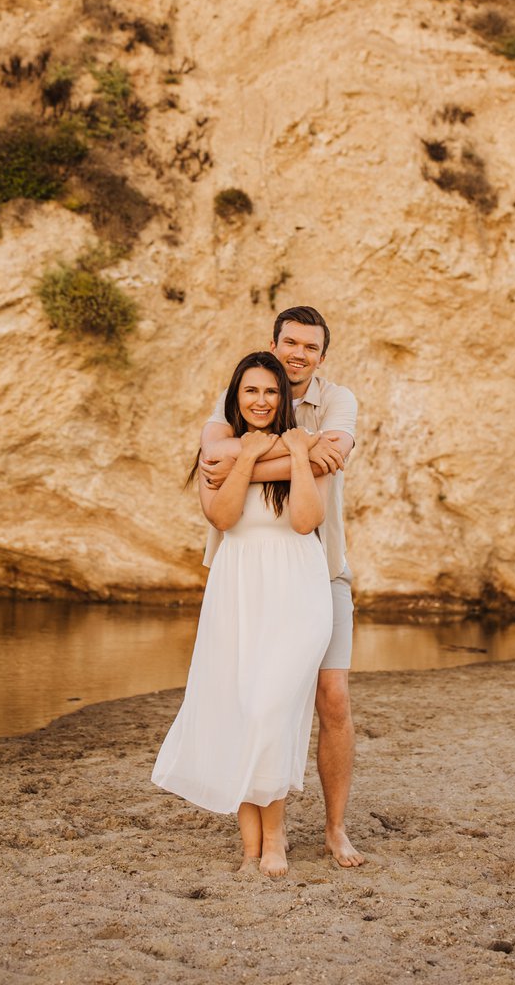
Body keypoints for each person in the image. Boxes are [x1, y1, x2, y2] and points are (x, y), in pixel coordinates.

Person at [152, 351, 332, 877]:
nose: (261, 400)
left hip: (298, 594)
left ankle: (275, 839)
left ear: (283, 398)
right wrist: (250, 455)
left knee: (266, 711)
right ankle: (251, 845)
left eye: (271, 391)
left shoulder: (306, 446)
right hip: (238, 595)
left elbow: (306, 521)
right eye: (251, 391)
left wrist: (295, 452)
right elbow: (223, 516)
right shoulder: (217, 458)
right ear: (236, 396)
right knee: (242, 711)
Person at [198, 305, 364, 867]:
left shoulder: (337, 400)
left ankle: (335, 829)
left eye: (310, 347)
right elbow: (213, 454)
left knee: (333, 696)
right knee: (258, 702)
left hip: (321, 569)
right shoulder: (242, 396)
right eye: (290, 342)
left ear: (322, 356)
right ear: (274, 345)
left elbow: (326, 462)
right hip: (247, 579)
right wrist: (297, 452)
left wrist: (251, 458)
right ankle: (274, 831)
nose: (299, 353)